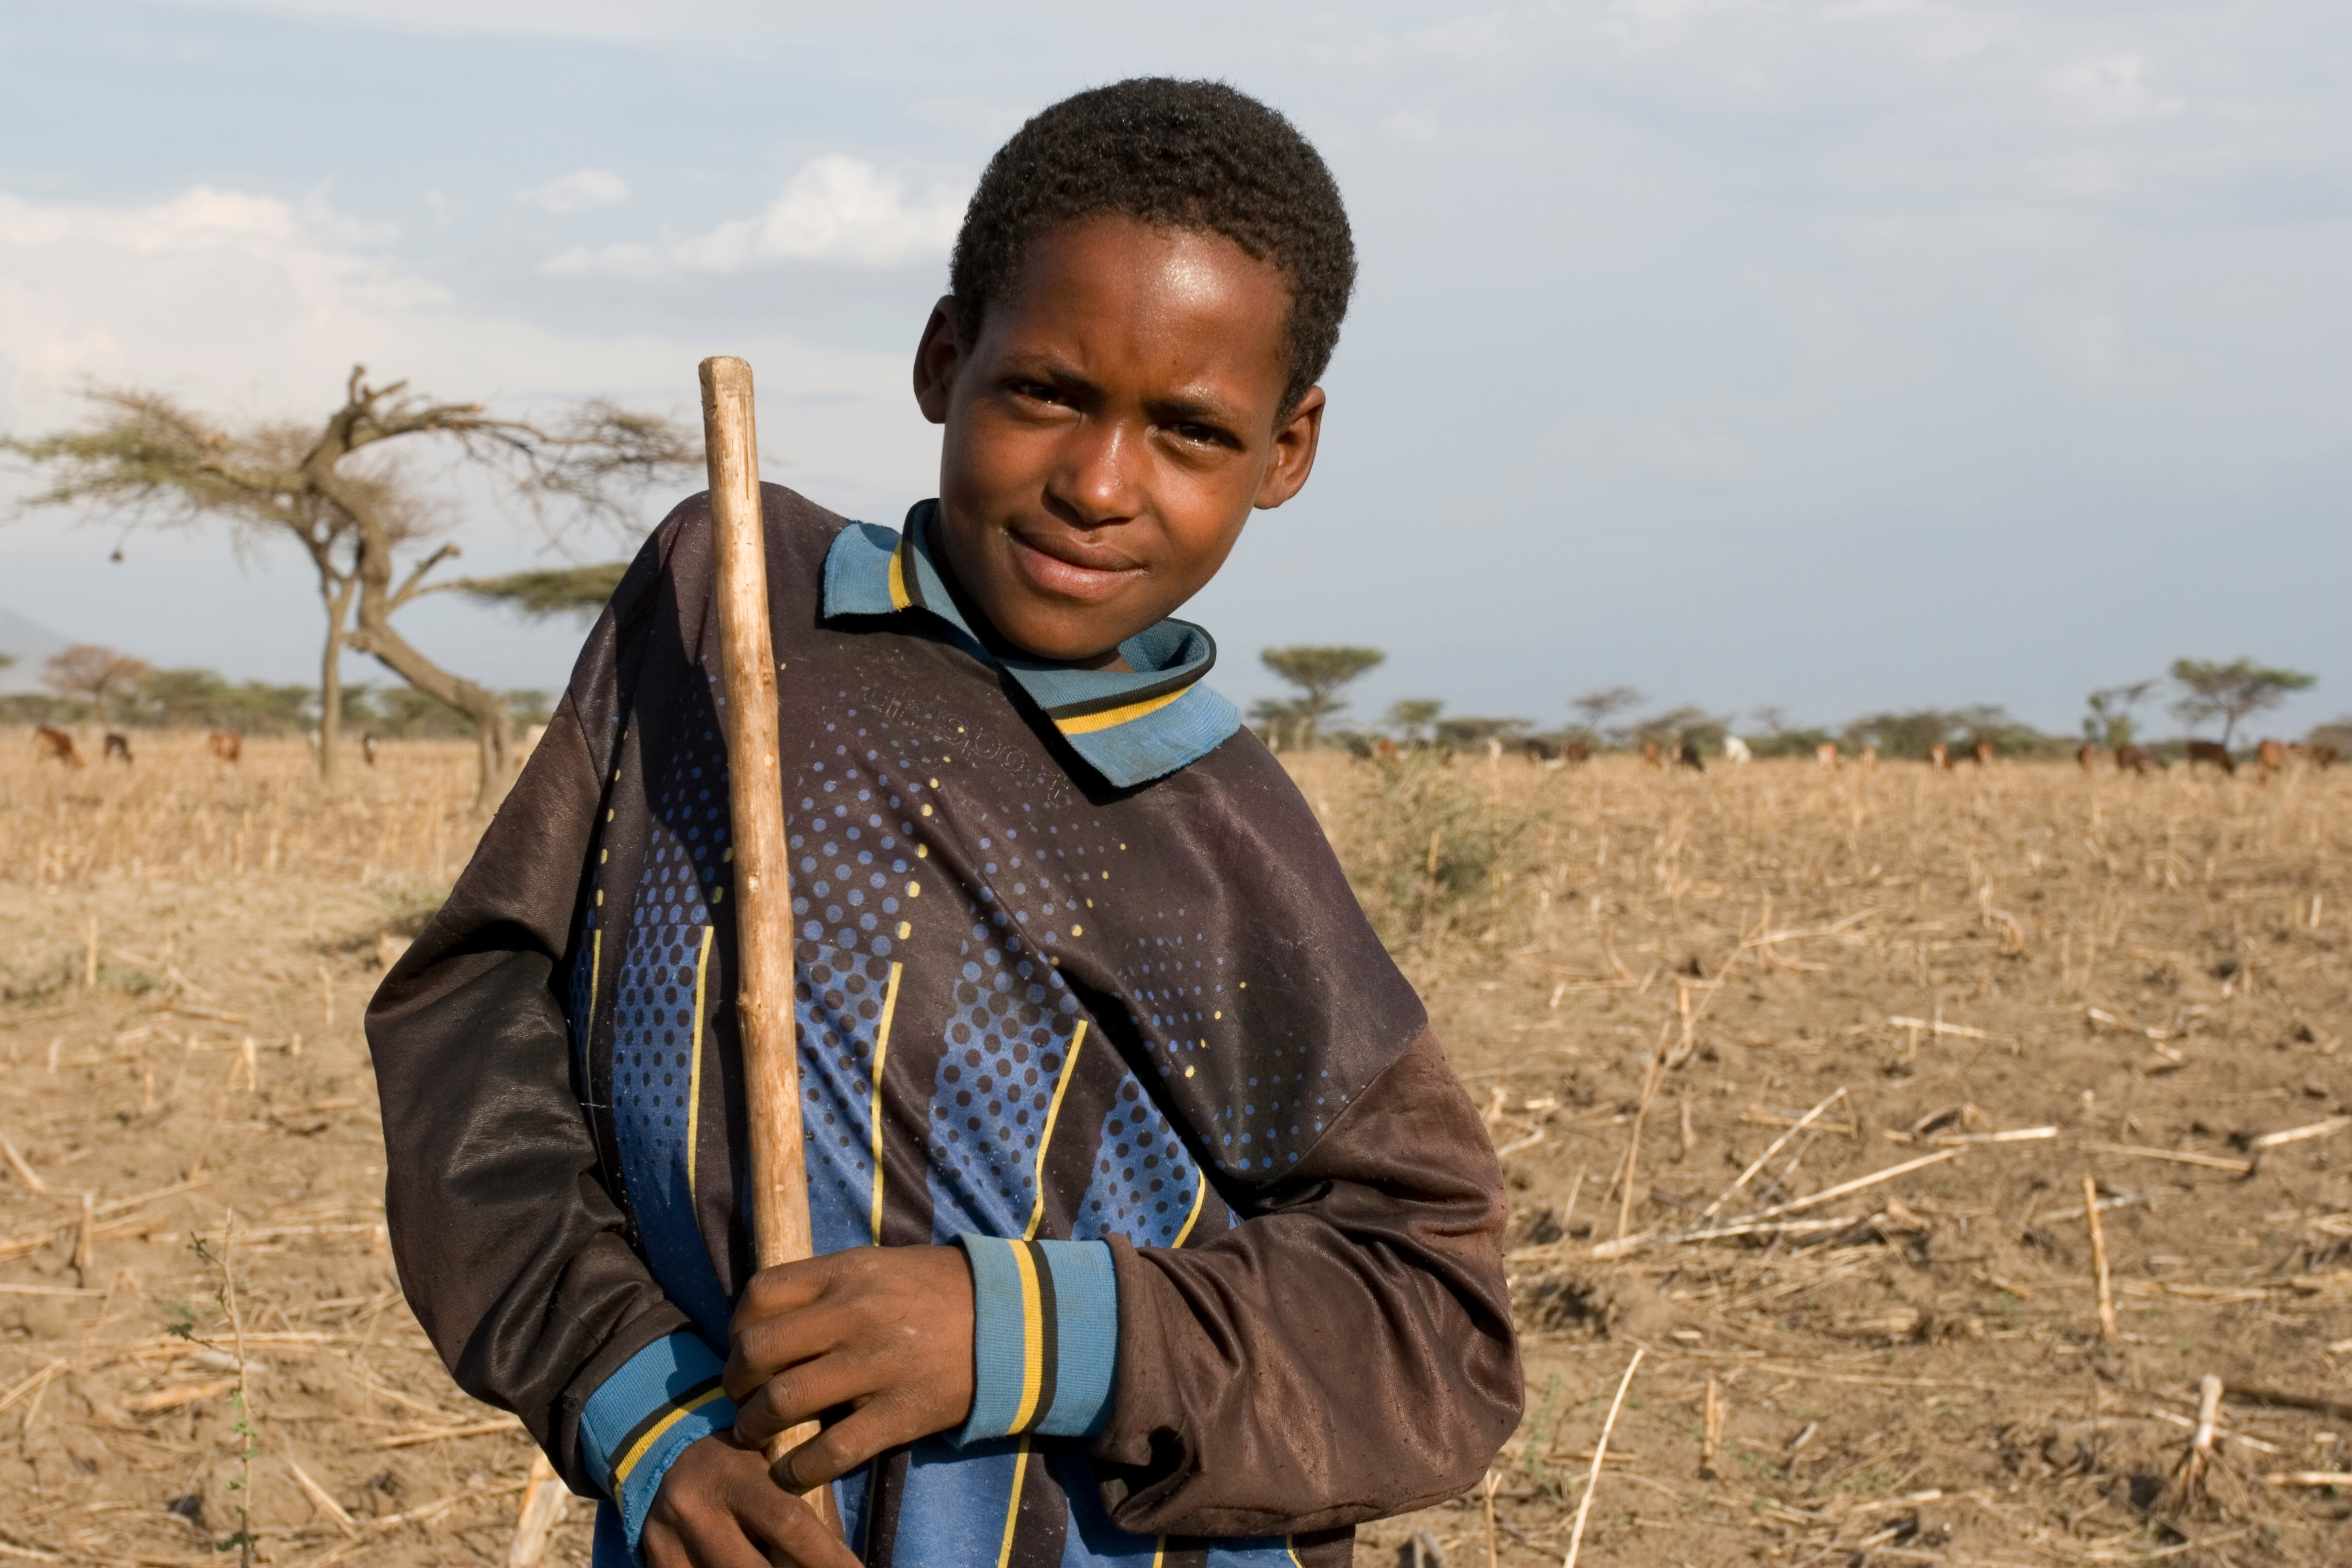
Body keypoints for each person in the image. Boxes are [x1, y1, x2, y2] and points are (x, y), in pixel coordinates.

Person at [367, 77, 1519, 1568]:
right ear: (943, 357)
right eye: (1046, 391)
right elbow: (476, 1029)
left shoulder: (1222, 841)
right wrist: (639, 1409)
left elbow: (1434, 1322)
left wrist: (1020, 1330)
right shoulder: (732, 608)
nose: (1098, 485)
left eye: (1190, 432)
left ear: (1286, 451)